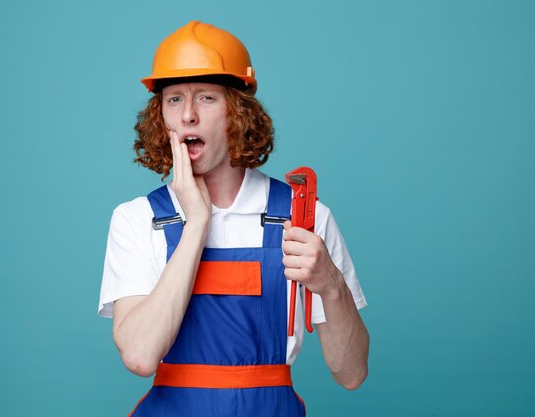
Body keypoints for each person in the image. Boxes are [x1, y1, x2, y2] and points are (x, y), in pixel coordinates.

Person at [98, 20, 369, 417]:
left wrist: (330, 284)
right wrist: (196, 224)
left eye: (207, 97)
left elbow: (352, 374)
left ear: (237, 114)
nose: (188, 115)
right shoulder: (137, 220)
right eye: (174, 99)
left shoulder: (303, 218)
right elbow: (139, 357)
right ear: (162, 119)